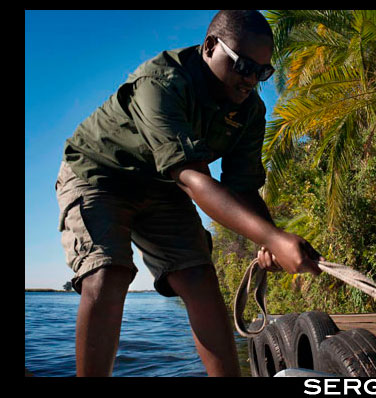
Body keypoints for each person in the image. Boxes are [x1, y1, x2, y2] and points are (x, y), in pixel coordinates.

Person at [55, 10, 323, 377]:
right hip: (100, 174)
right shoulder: (161, 82)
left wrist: (270, 239)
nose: (250, 80)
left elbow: (242, 187)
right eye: (244, 65)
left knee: (199, 278)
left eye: (262, 72)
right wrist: (274, 237)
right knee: (108, 273)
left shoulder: (251, 111)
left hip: (162, 187)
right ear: (210, 46)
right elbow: (190, 177)